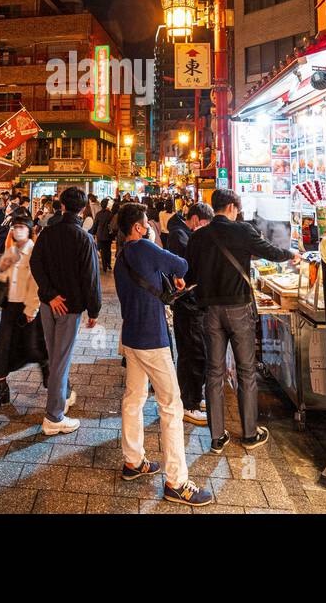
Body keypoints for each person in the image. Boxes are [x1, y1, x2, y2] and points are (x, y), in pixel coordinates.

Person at [112, 203, 213, 505]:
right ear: (140, 227)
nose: (150, 226)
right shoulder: (144, 246)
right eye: (147, 223)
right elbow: (180, 266)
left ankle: (133, 460)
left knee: (133, 399)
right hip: (152, 339)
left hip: (130, 336)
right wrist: (155, 239)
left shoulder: (121, 257)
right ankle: (177, 482)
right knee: (171, 405)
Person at [184, 188, 295, 453]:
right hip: (238, 309)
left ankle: (216, 437)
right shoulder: (243, 231)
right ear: (233, 207)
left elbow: (190, 276)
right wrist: (292, 254)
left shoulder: (199, 237)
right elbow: (271, 252)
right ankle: (248, 433)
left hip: (210, 310)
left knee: (214, 372)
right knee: (246, 371)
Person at [29, 185, 101, 435]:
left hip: (49, 305)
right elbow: (90, 278)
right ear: (82, 209)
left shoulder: (48, 233)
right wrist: (94, 310)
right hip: (69, 308)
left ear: (61, 205)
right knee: (60, 360)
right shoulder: (83, 238)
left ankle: (61, 397)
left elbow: (35, 263)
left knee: (55, 356)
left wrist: (49, 294)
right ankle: (53, 416)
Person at [0, 212, 48, 408]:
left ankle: (57, 386)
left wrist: (31, 309)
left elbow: (37, 284)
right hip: (9, 307)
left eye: (22, 227)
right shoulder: (11, 251)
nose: (17, 230)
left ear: (29, 230)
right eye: (15, 226)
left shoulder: (35, 252)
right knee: (1, 351)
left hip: (27, 309)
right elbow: (0, 277)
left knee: (36, 350)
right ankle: (2, 390)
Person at [164, 201, 213, 426]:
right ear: (195, 220)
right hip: (187, 303)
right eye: (204, 224)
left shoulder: (183, 233)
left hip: (192, 302)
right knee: (192, 353)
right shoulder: (179, 235)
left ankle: (194, 397)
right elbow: (186, 267)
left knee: (194, 351)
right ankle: (189, 404)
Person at [92, 197, 114, 273]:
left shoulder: (98, 214)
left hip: (100, 234)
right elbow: (112, 225)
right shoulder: (110, 214)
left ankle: (104, 266)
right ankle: (109, 264)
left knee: (102, 251)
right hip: (108, 235)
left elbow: (95, 225)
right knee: (108, 249)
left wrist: (93, 233)